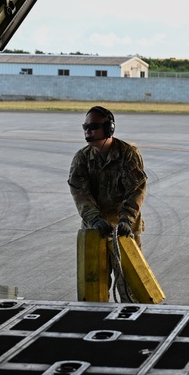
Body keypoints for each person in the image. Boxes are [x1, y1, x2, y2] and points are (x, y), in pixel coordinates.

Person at [68, 105, 147, 301]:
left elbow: (136, 190)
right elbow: (80, 193)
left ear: (109, 128)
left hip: (124, 228)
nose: (88, 131)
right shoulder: (82, 158)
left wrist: (126, 220)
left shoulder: (128, 154)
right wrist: (94, 219)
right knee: (93, 285)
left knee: (130, 287)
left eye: (93, 126)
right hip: (95, 228)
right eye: (85, 127)